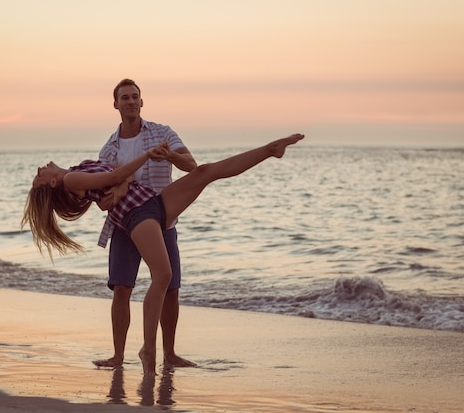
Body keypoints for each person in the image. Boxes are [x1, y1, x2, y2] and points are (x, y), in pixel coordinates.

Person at [22, 133, 305, 375]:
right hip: (135, 213)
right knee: (163, 275)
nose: (40, 168)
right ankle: (148, 350)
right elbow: (117, 174)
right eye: (39, 176)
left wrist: (121, 184)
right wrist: (145, 157)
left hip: (153, 202)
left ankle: (270, 150)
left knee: (205, 172)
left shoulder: (78, 169)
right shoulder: (71, 178)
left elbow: (122, 175)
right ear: (53, 184)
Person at [95, 79, 197, 370]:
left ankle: (170, 353)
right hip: (125, 226)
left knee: (171, 288)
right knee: (122, 289)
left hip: (163, 221)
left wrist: (171, 156)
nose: (130, 101)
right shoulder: (109, 150)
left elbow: (191, 165)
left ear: (142, 102)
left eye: (135, 97)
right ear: (115, 104)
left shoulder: (162, 133)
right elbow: (106, 190)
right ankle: (117, 356)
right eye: (124, 97)